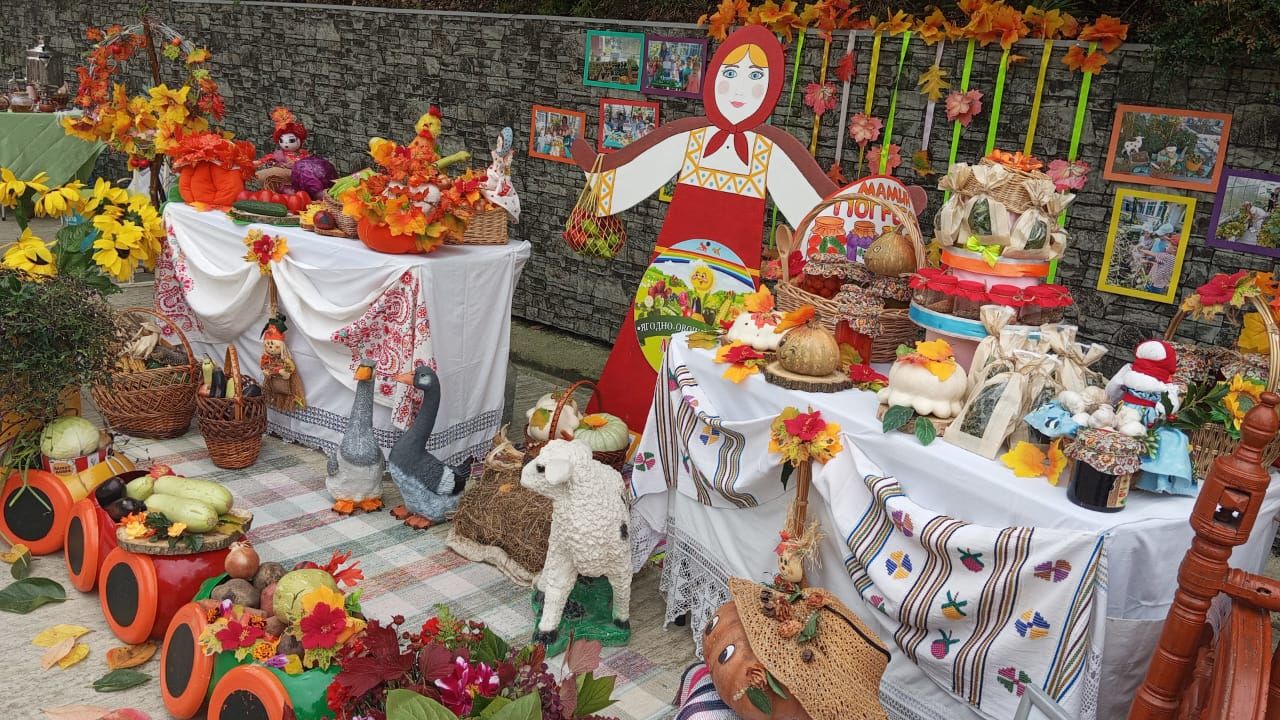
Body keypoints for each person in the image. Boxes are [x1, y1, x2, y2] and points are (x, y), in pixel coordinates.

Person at [570, 25, 838, 428]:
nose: (740, 89)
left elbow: (815, 208)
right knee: (650, 344)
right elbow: (635, 172)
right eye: (730, 73)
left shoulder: (768, 151)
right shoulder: (692, 137)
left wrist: (870, 210)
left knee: (719, 359)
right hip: (672, 271)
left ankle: (701, 438)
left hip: (733, 280)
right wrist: (595, 167)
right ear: (713, 79)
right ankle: (626, 425)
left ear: (769, 90)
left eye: (755, 76)